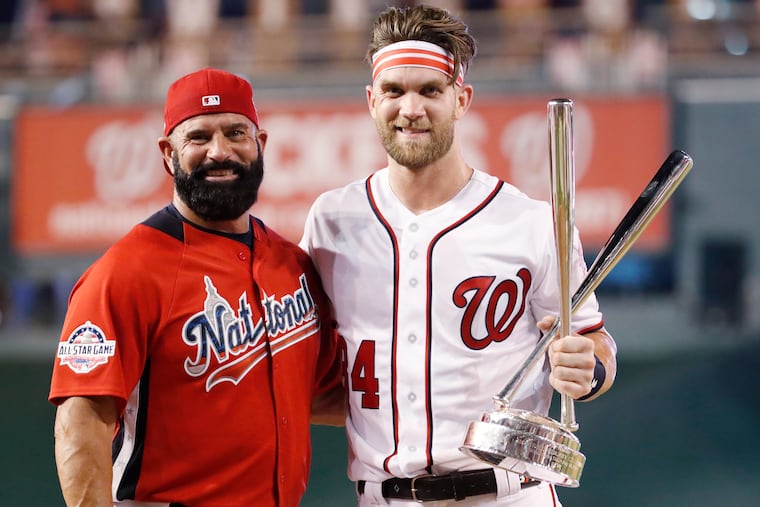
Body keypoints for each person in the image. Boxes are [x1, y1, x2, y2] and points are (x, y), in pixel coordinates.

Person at [299, 5, 617, 506]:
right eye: (394, 91)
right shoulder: (331, 220)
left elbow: (596, 346)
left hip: (509, 493)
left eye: (430, 90)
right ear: (371, 100)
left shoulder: (532, 222)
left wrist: (588, 370)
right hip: (384, 495)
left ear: (461, 99)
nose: (411, 108)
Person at [49, 67, 343, 507]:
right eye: (199, 137)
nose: (219, 151)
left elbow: (320, 396)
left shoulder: (291, 264)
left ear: (260, 144)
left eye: (235, 132)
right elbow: (81, 421)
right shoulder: (126, 272)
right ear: (168, 153)